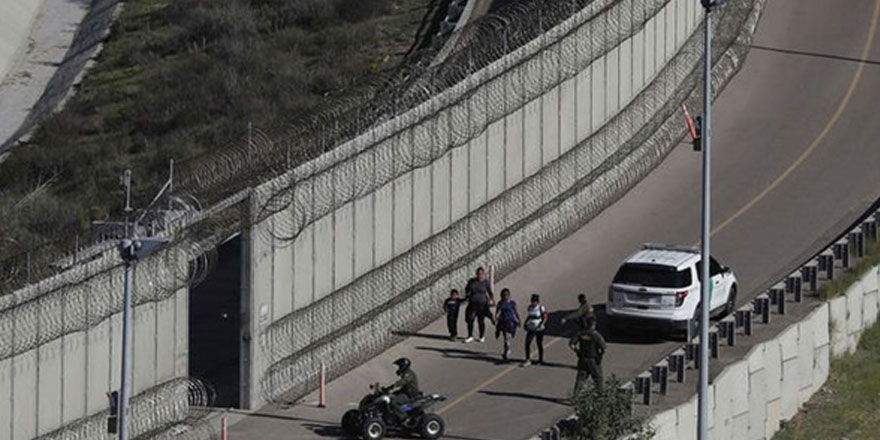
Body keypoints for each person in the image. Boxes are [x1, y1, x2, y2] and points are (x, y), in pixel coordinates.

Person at [570, 317, 606, 398]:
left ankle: (575, 397)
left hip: (582, 359)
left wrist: (577, 351)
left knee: (580, 379)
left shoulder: (581, 333)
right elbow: (603, 347)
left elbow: (571, 344)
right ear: (593, 325)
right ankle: (601, 397)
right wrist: (600, 355)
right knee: (598, 378)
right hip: (593, 359)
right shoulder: (596, 335)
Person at [464, 267, 494, 343]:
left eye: (481, 274)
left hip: (482, 304)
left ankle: (481, 336)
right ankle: (470, 335)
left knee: (481, 320)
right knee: (470, 319)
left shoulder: (485, 283)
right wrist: (468, 295)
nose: (480, 275)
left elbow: (490, 292)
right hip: (473, 303)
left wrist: (492, 300)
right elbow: (467, 289)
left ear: (483, 274)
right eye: (478, 274)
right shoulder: (472, 281)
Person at [521, 293, 548, 367]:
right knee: (527, 343)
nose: (533, 303)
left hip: (539, 329)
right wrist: (525, 323)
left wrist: (542, 324)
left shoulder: (541, 308)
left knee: (539, 343)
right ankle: (528, 359)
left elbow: (545, 316)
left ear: (537, 302)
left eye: (535, 301)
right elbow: (529, 316)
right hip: (531, 328)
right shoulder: (530, 308)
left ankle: (540, 359)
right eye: (532, 301)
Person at [494, 288, 520, 361]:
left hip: (511, 322)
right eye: (504, 295)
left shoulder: (512, 303)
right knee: (506, 338)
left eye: (507, 295)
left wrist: (518, 320)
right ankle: (506, 351)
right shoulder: (500, 303)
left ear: (509, 295)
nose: (505, 296)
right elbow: (498, 312)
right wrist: (496, 318)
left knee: (509, 336)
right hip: (503, 322)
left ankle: (507, 349)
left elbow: (516, 312)